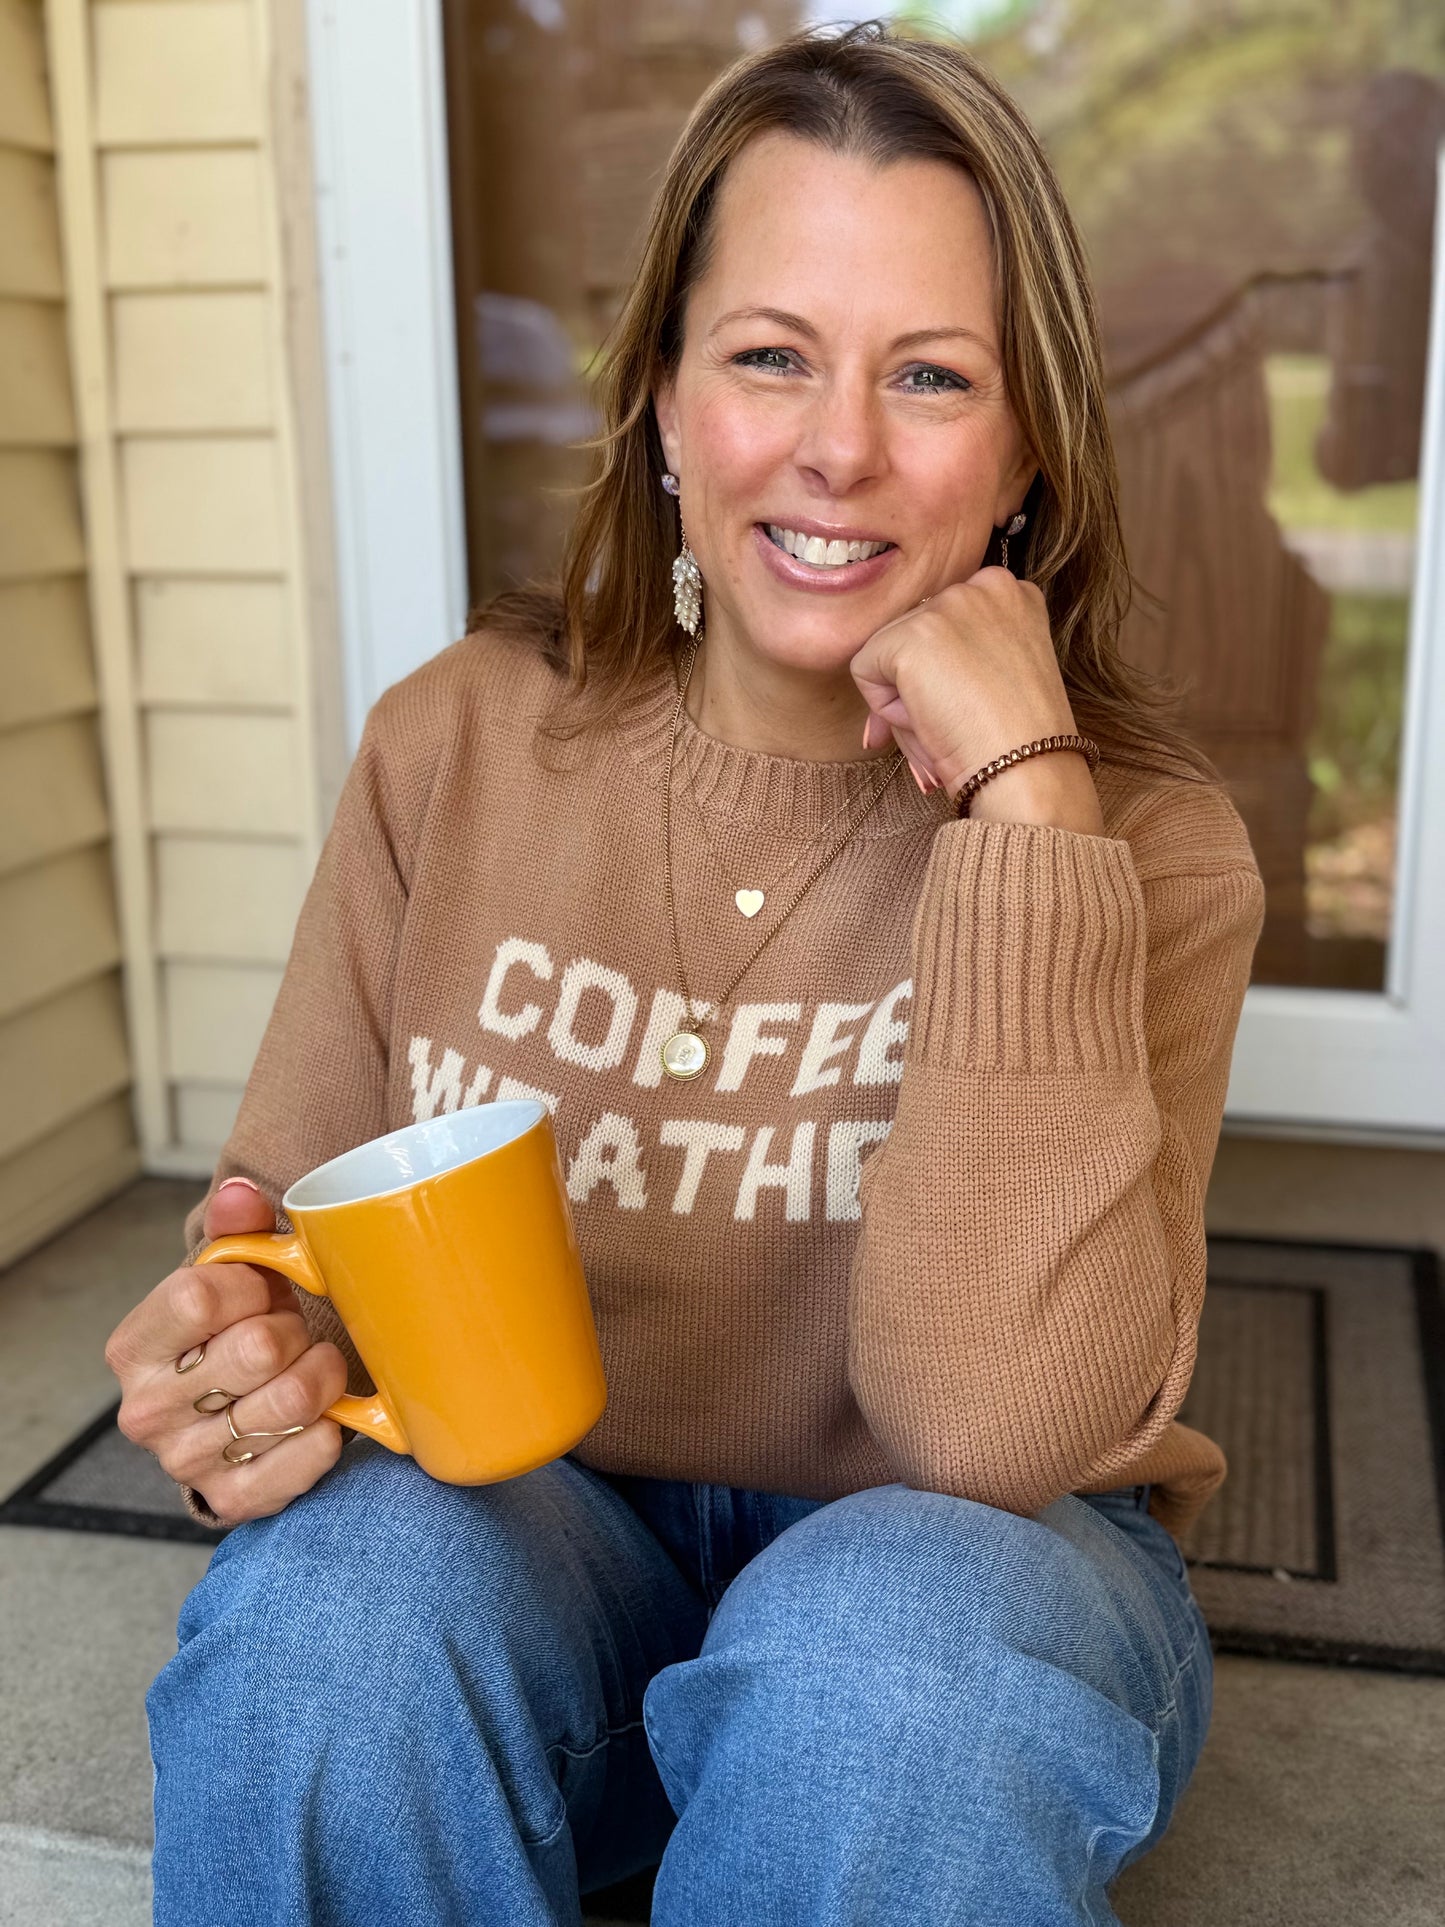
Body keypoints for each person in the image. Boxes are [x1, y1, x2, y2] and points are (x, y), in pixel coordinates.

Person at [108, 22, 1266, 1925]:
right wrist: (241, 1378)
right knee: (328, 1622)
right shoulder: (454, 746)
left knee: (879, 1686)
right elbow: (293, 1254)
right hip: (539, 1542)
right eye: (766, 357)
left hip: (980, 1569)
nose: (836, 447)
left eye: (930, 375)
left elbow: (989, 1431)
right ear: (658, 399)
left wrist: (1021, 812)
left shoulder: (1134, 845)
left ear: (1028, 441)